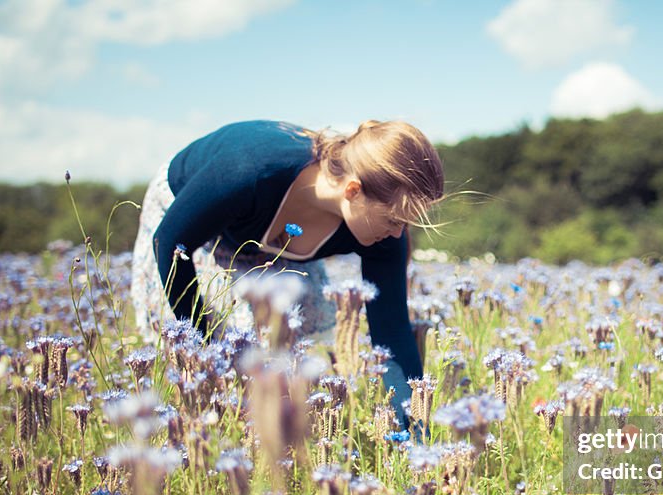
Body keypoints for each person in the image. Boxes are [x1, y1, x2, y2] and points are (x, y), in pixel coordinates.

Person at [130, 119, 444, 427]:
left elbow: (392, 335)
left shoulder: (384, 234)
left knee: (283, 347)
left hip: (271, 246)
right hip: (189, 221)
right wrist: (201, 345)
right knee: (228, 347)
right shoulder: (248, 170)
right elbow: (171, 243)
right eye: (392, 220)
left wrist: (414, 430)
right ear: (352, 190)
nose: (398, 233)